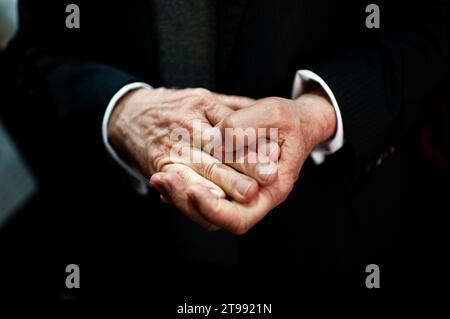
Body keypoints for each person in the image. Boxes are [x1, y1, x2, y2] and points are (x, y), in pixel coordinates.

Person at [7, 0, 448, 297]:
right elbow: (33, 55)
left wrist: (322, 110)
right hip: (116, 251)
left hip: (346, 248)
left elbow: (431, 28)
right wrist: (120, 110)